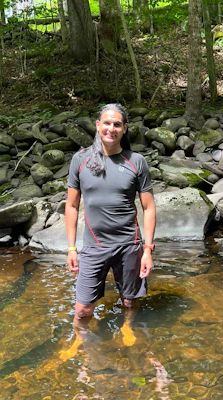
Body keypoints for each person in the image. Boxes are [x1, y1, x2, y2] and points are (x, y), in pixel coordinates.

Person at [60, 103, 156, 359]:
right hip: (93, 246)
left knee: (130, 300)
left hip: (129, 245)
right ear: (97, 125)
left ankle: (127, 326)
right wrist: (71, 248)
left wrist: (148, 250)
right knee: (82, 309)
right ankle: (79, 340)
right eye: (106, 123)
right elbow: (71, 205)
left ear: (125, 129)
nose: (110, 128)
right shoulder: (80, 160)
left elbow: (148, 207)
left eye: (117, 124)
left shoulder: (136, 162)